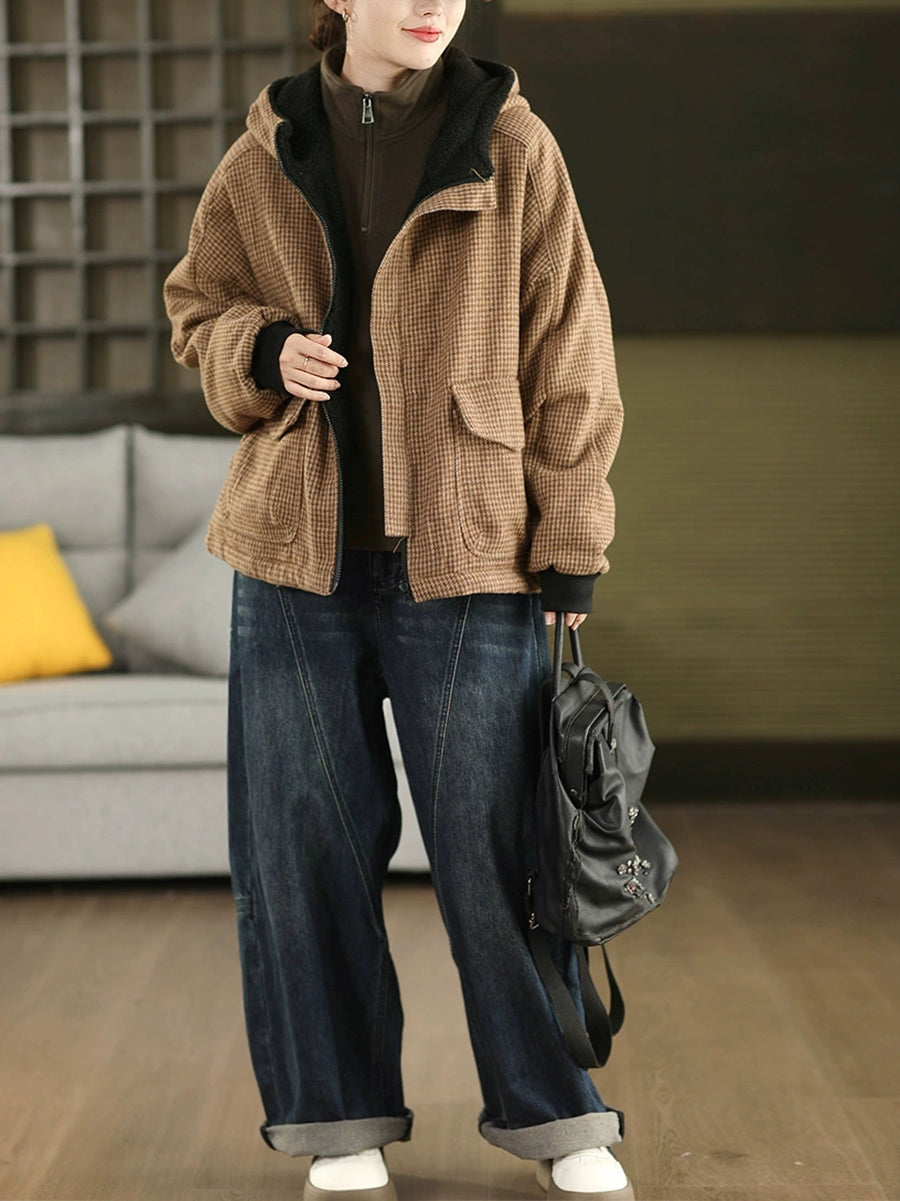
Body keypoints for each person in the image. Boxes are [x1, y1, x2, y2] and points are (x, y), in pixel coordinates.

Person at [164, 1, 630, 1198]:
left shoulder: (512, 144)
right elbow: (196, 310)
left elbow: (570, 352)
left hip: (471, 556)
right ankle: (337, 1118)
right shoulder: (265, 150)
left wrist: (571, 538)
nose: (432, 3)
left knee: (503, 854)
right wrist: (260, 350)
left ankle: (557, 1115)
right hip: (293, 559)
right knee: (299, 853)